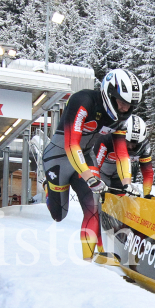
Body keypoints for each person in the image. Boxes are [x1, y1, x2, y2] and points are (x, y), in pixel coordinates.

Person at [41, 68, 142, 260]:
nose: (125, 109)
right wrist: (89, 177)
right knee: (58, 215)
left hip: (85, 157)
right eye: (122, 103)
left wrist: (127, 182)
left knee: (94, 206)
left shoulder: (121, 119)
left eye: (130, 105)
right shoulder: (83, 101)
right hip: (58, 158)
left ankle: (88, 260)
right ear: (110, 95)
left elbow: (122, 154)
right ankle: (49, 187)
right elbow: (71, 143)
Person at [95, 115, 154, 197]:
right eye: (127, 143)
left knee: (127, 204)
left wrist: (147, 194)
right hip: (102, 174)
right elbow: (96, 164)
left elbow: (148, 172)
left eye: (134, 145)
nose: (130, 147)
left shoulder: (145, 147)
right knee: (98, 202)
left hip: (121, 180)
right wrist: (96, 182)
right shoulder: (107, 139)